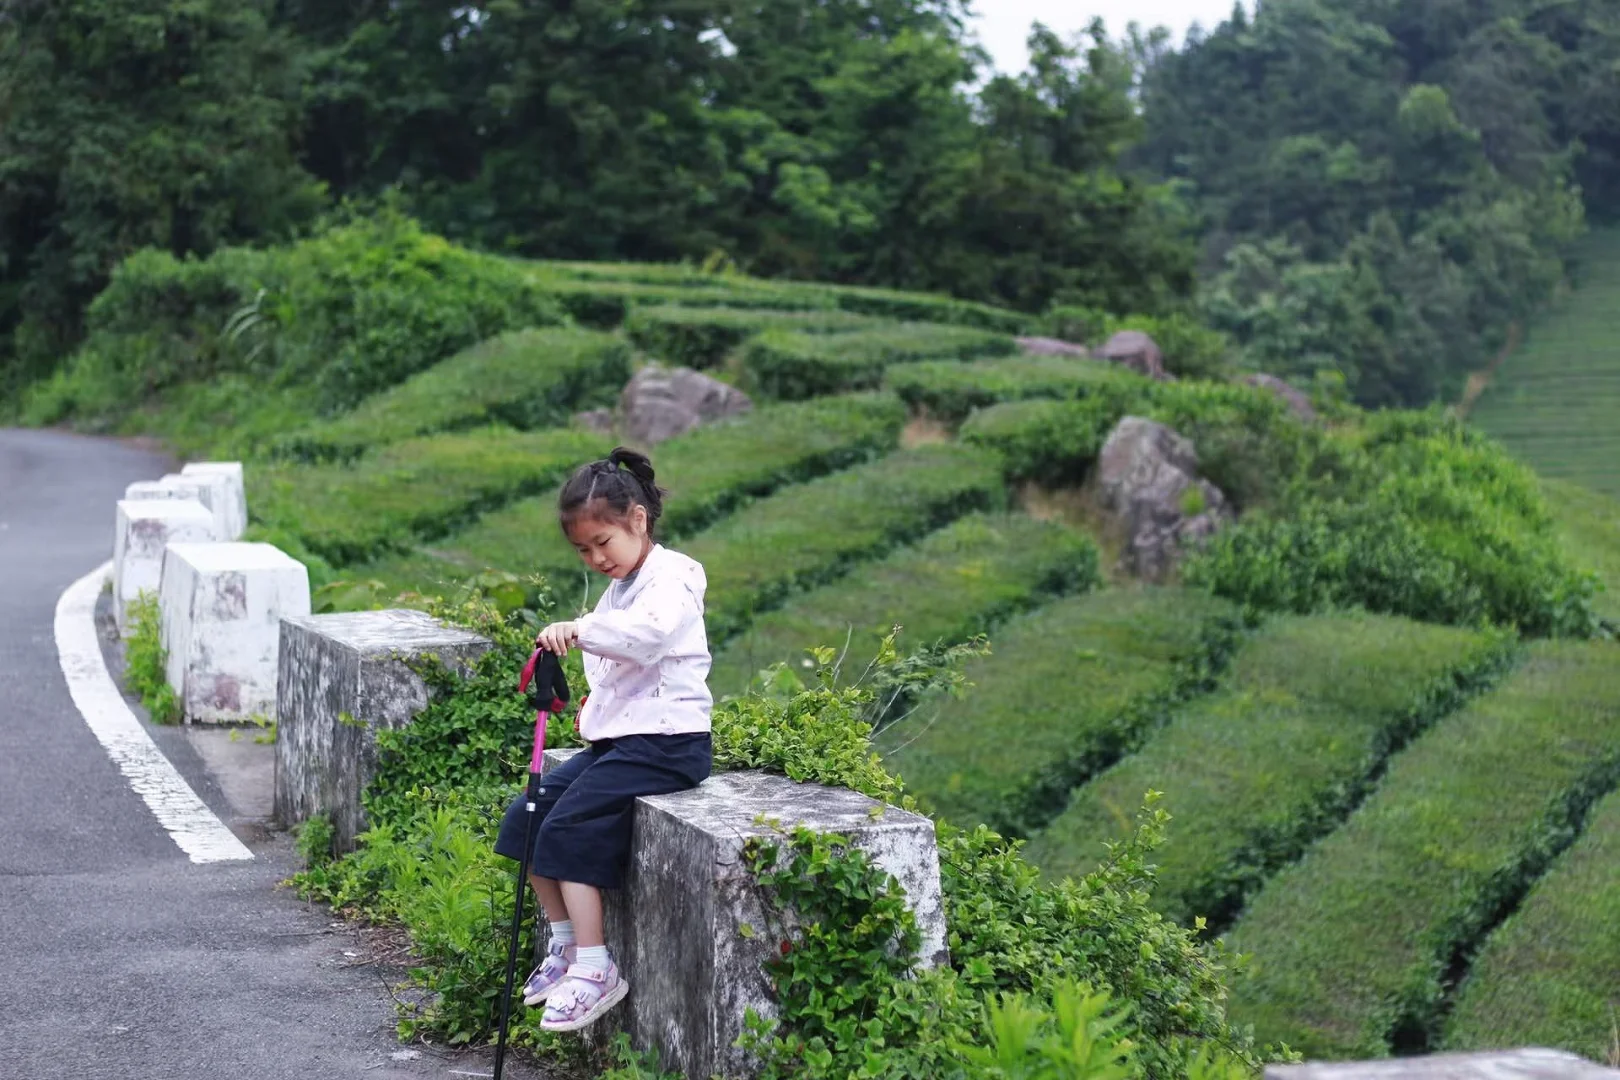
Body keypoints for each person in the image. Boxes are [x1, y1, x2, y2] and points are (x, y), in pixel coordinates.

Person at [493, 447, 714, 1033]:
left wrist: (580, 630)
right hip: (622, 745)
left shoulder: (677, 575)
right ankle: (565, 947)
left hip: (668, 745)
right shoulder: (619, 588)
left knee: (567, 830)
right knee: (528, 818)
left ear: (638, 520)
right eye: (583, 550)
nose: (595, 558)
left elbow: (649, 637)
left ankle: (596, 968)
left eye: (603, 543)